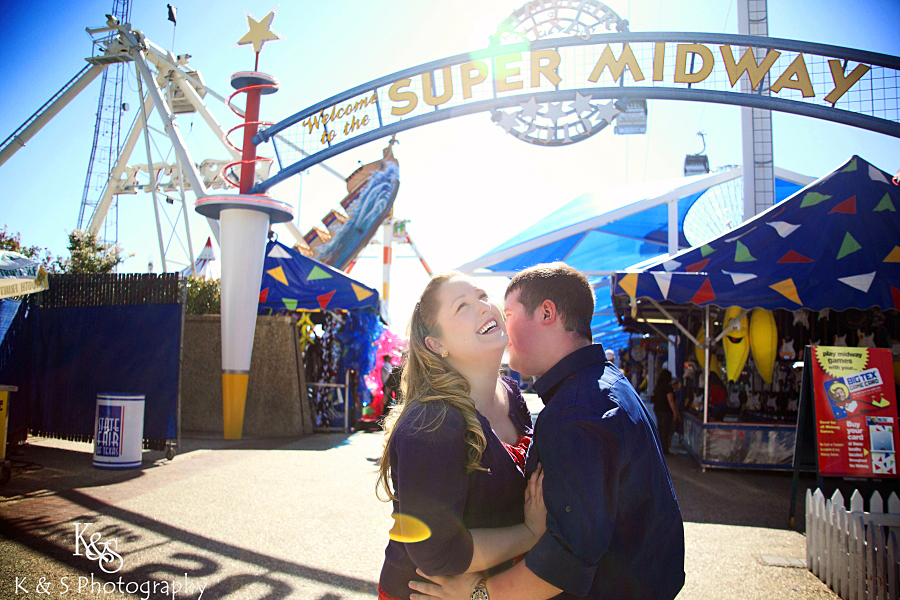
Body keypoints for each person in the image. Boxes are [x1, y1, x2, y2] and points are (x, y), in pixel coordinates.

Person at [409, 262, 684, 600]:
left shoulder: (573, 412)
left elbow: (568, 556)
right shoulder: (606, 383)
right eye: (464, 305)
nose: (496, 317)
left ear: (547, 313)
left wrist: (480, 594)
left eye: (506, 313)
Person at [377, 272, 546, 600]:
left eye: (482, 296)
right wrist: (529, 533)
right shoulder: (433, 422)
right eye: (462, 306)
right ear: (436, 344)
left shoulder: (511, 392)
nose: (484, 307)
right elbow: (434, 554)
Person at [652, 369, 680, 455]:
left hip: (657, 409)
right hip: (666, 411)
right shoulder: (667, 387)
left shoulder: (657, 386)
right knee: (665, 430)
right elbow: (671, 401)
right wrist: (675, 412)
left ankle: (659, 448)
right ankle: (664, 449)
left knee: (660, 428)